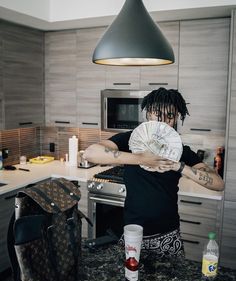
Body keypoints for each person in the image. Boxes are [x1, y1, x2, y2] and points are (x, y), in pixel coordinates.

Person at [84, 87, 224, 257]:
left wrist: (179, 166)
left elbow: (218, 183)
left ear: (177, 118)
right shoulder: (131, 140)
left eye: (170, 116)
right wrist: (142, 158)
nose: (163, 121)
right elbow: (90, 153)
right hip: (132, 233)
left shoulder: (181, 151)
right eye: (158, 114)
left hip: (168, 236)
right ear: (148, 114)